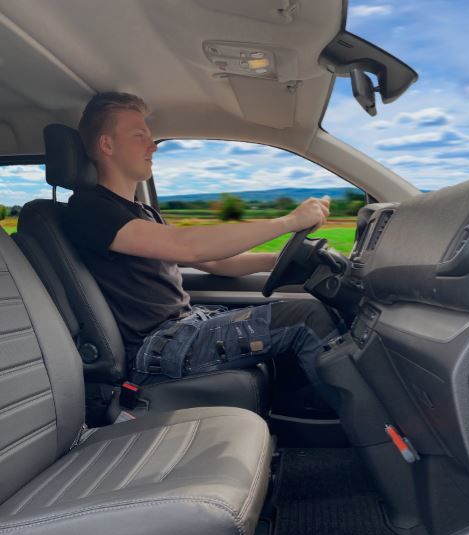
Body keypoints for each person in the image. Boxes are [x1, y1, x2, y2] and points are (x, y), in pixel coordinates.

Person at [64, 92, 342, 409]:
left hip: (186, 328)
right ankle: (365, 430)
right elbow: (187, 247)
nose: (153, 146)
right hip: (158, 349)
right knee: (307, 318)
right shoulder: (90, 210)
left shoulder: (142, 212)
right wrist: (289, 222)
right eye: (139, 136)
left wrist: (275, 261)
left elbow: (216, 262)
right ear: (107, 145)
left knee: (305, 313)